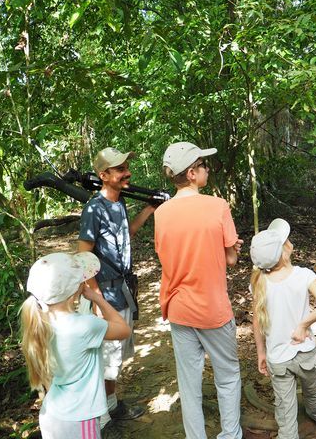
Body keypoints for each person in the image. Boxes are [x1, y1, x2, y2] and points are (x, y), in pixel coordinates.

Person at [154, 141, 244, 439]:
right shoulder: (217, 206)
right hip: (212, 308)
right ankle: (231, 435)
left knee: (188, 383)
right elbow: (231, 259)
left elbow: (168, 255)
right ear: (192, 173)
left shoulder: (161, 213)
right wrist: (230, 249)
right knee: (228, 376)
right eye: (204, 165)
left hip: (179, 308)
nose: (208, 169)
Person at [77, 147, 155, 435]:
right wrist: (96, 299)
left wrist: (148, 209)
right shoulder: (93, 209)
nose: (127, 173)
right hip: (106, 296)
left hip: (122, 291)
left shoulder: (119, 203)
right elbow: (84, 256)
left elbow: (127, 234)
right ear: (104, 175)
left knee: (115, 357)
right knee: (106, 359)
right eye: (120, 169)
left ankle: (110, 405)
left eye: (126, 167)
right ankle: (101, 422)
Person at [20, 251, 131, 439]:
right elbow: (123, 329)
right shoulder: (85, 325)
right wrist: (97, 298)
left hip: (52, 415)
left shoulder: (40, 324)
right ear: (76, 290)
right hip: (80, 418)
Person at [249, 218, 316, 438]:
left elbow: (256, 321)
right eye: (286, 240)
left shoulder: (258, 282)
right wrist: (304, 325)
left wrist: (261, 353)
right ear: (284, 251)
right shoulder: (303, 275)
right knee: (313, 390)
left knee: (284, 408)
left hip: (277, 357)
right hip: (305, 352)